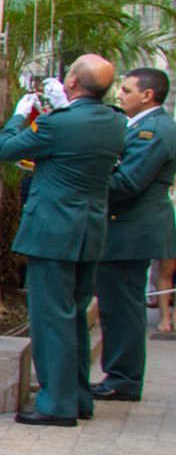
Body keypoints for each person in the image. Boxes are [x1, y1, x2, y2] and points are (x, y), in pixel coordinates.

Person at [0, 55, 124, 426]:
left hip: (52, 232)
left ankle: (56, 404)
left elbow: (7, 148)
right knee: (75, 318)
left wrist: (21, 114)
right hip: (89, 231)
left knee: (51, 319)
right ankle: (79, 396)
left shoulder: (57, 123)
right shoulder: (115, 121)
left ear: (70, 81)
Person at [93, 67, 175, 402]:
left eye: (126, 90)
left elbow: (128, 183)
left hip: (131, 231)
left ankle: (124, 378)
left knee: (122, 308)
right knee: (115, 306)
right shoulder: (144, 126)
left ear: (148, 95)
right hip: (127, 228)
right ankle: (120, 374)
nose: (120, 96)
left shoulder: (152, 131)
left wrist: (82, 178)